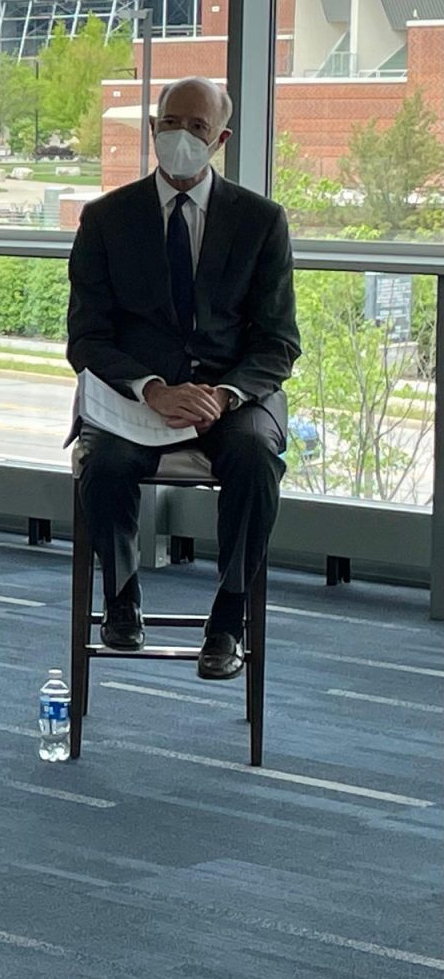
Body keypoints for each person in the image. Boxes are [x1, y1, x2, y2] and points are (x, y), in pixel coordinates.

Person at [67, 76, 300, 679]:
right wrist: (151, 388)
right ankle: (121, 599)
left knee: (255, 458)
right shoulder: (105, 220)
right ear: (153, 129)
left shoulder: (260, 221)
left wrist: (223, 395)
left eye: (197, 127)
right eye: (171, 122)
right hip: (136, 396)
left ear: (219, 138)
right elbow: (87, 339)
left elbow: (278, 342)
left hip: (231, 395)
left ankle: (227, 620)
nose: (181, 137)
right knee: (107, 464)